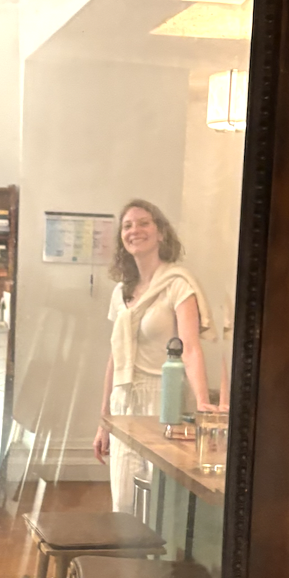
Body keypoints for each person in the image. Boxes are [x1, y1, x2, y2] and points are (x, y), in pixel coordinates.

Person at [93, 199, 213, 513]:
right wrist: (104, 421)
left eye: (144, 223)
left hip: (166, 401)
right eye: (128, 225)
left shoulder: (178, 284)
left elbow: (190, 349)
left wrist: (201, 404)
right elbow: (115, 359)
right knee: (124, 505)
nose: (135, 230)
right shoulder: (120, 292)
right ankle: (126, 564)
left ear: (160, 233)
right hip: (125, 403)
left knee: (162, 507)